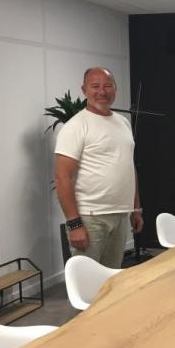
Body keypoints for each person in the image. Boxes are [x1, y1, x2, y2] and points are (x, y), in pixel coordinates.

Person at [54, 67, 143, 268]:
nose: (102, 92)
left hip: (120, 216)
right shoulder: (76, 126)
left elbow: (128, 166)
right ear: (84, 90)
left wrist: (136, 208)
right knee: (88, 284)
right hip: (90, 219)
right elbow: (62, 177)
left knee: (110, 280)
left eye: (107, 86)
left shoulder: (123, 123)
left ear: (115, 89)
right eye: (95, 86)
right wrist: (74, 224)